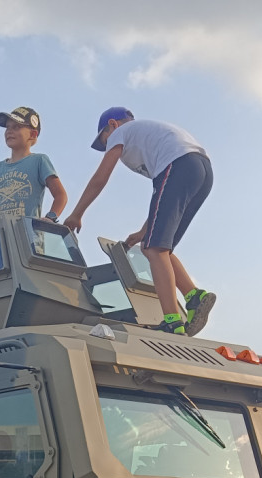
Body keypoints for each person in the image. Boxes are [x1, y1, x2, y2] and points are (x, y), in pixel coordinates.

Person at [63, 107, 217, 337]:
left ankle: (172, 321)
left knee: (155, 249)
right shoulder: (149, 135)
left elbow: (101, 177)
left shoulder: (121, 132)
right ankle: (194, 296)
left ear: (113, 125)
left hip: (179, 166)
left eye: (104, 140)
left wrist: (77, 213)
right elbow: (164, 196)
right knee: (157, 246)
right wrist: (144, 230)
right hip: (201, 170)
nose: (106, 146)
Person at [0, 107, 66, 232]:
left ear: (32, 134)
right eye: (7, 127)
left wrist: (51, 217)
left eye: (16, 127)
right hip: (1, 237)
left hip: (29, 237)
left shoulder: (39, 161)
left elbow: (61, 195)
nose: (9, 131)